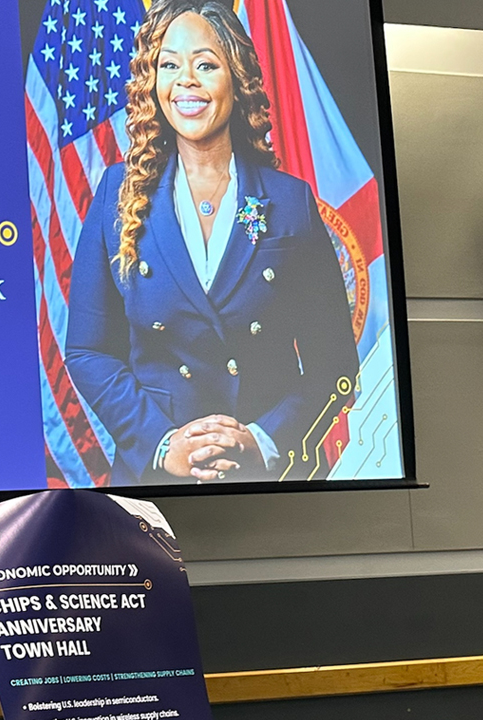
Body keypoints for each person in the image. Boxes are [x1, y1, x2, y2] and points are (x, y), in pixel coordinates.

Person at [65, 0, 359, 485]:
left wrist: (261, 440)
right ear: (152, 81)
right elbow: (87, 351)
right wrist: (163, 444)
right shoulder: (116, 197)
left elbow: (334, 363)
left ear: (236, 78)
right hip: (154, 479)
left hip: (273, 479)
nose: (186, 80)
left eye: (205, 64)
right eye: (169, 65)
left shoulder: (291, 203)